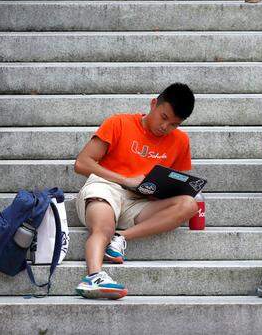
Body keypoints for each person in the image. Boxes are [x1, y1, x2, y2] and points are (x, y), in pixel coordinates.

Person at [72, 83, 199, 299]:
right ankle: (93, 277)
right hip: (105, 187)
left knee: (189, 204)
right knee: (104, 227)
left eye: (174, 124)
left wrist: (160, 189)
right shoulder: (119, 123)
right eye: (163, 117)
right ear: (153, 104)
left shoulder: (181, 141)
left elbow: (180, 184)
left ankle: (121, 238)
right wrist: (126, 180)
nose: (165, 127)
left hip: (140, 201)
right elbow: (82, 163)